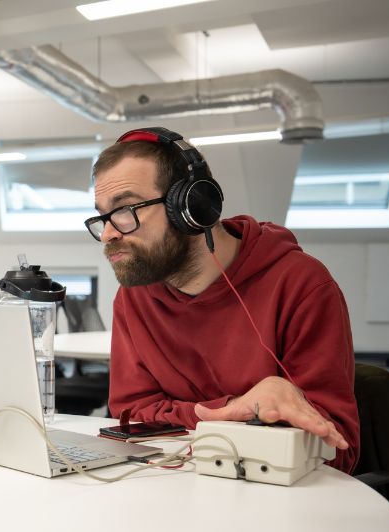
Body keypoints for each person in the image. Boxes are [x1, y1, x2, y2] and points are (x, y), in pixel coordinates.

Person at [86, 127, 358, 473]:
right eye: (103, 216)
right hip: (177, 484)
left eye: (125, 210)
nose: (108, 234)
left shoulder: (301, 285)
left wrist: (190, 415)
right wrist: (233, 409)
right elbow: (130, 416)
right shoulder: (135, 295)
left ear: (191, 206)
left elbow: (340, 450)